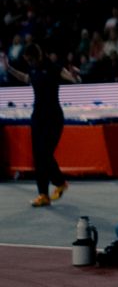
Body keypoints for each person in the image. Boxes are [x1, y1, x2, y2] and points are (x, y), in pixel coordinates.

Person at [25, 42, 80, 208]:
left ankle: (60, 182)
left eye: (31, 60)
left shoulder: (52, 67)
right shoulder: (32, 69)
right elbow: (27, 78)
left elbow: (72, 78)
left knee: (45, 154)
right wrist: (9, 69)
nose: (29, 63)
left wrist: (75, 76)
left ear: (38, 56)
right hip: (37, 118)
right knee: (38, 156)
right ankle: (43, 195)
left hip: (53, 118)